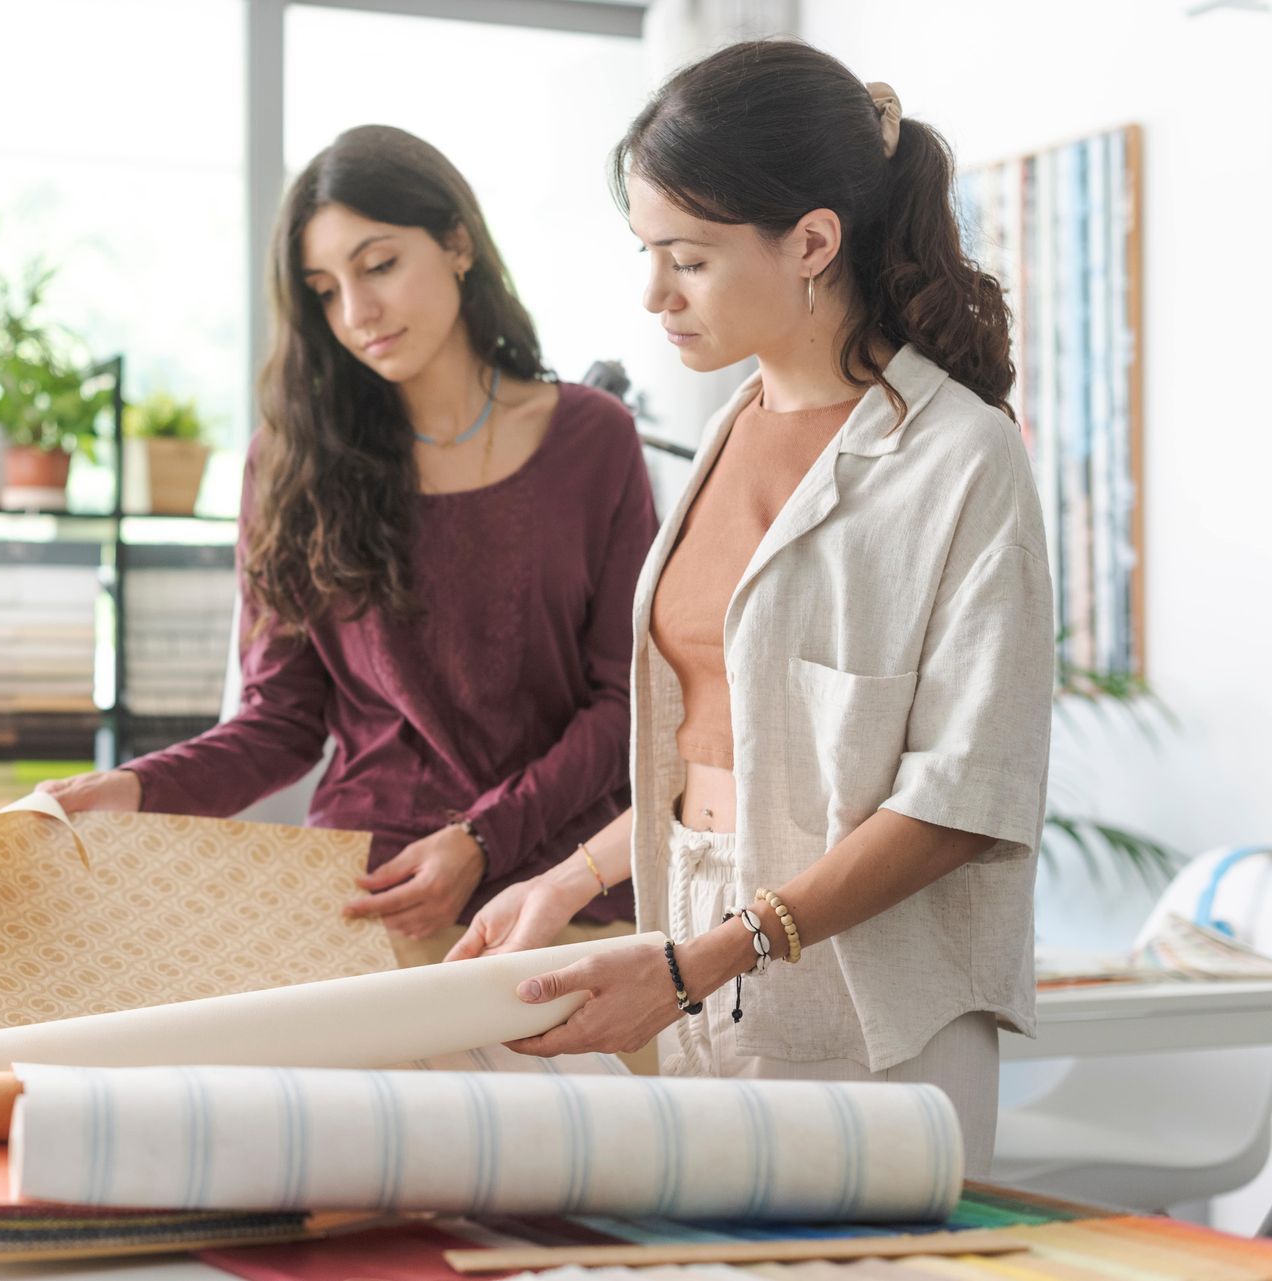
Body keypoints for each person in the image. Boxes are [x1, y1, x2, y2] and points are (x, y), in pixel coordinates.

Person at [447, 41, 1054, 1173]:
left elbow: (964, 798)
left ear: (813, 242)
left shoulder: (963, 461)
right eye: (646, 251)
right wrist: (565, 882)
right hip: (698, 966)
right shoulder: (727, 431)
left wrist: (700, 961)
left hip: (872, 1014)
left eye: (688, 258)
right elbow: (722, 748)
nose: (653, 293)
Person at [41, 125, 658, 963]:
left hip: (561, 897)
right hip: (368, 903)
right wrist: (139, 787)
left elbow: (626, 703)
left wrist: (480, 838)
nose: (356, 313)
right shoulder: (291, 464)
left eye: (378, 266)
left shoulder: (593, 438)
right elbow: (281, 721)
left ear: (457, 243)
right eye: (324, 289)